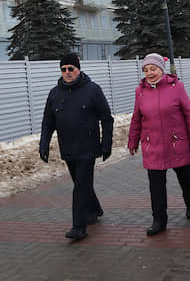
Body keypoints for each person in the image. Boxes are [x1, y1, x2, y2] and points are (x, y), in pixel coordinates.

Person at [39, 53, 114, 241]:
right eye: (63, 69)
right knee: (81, 183)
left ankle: (78, 227)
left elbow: (107, 119)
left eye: (70, 69)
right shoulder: (55, 93)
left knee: (80, 186)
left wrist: (106, 144)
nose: (67, 72)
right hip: (68, 148)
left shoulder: (92, 90)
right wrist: (44, 145)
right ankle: (94, 209)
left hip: (88, 147)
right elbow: (48, 122)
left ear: (78, 69)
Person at [128, 53, 190, 236]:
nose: (149, 73)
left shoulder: (176, 87)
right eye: (146, 70)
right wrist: (133, 141)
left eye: (153, 69)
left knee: (186, 180)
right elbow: (136, 118)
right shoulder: (141, 91)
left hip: (177, 144)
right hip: (152, 146)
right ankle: (159, 221)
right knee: (156, 186)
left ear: (161, 69)